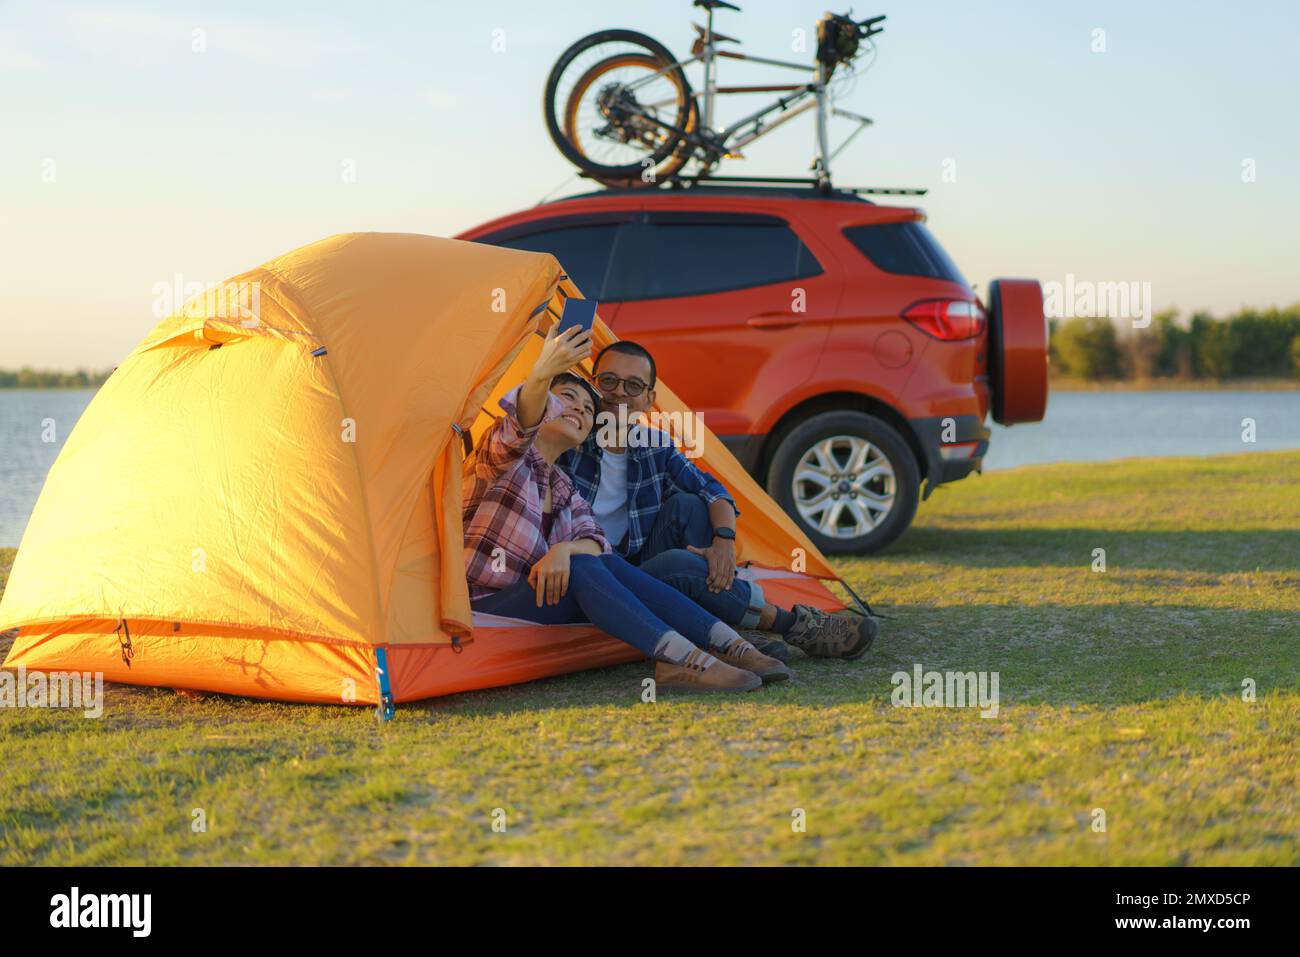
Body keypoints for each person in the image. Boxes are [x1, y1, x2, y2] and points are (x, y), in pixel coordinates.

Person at [462, 322, 793, 692]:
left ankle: (729, 646)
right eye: (567, 397)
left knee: (598, 556)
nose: (581, 408)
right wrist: (544, 370)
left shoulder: (565, 486)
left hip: (550, 596)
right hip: (489, 606)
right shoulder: (502, 457)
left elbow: (595, 541)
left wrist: (564, 549)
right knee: (585, 564)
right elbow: (523, 419)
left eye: (588, 408)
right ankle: (691, 656)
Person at [557, 340, 877, 662]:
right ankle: (791, 623)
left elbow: (715, 491)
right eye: (609, 381)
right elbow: (532, 415)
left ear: (649, 399)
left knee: (689, 506)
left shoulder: (654, 445)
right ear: (593, 385)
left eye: (634, 385)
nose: (619, 393)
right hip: (590, 576)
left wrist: (724, 540)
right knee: (679, 565)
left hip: (640, 571)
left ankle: (724, 626)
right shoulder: (567, 437)